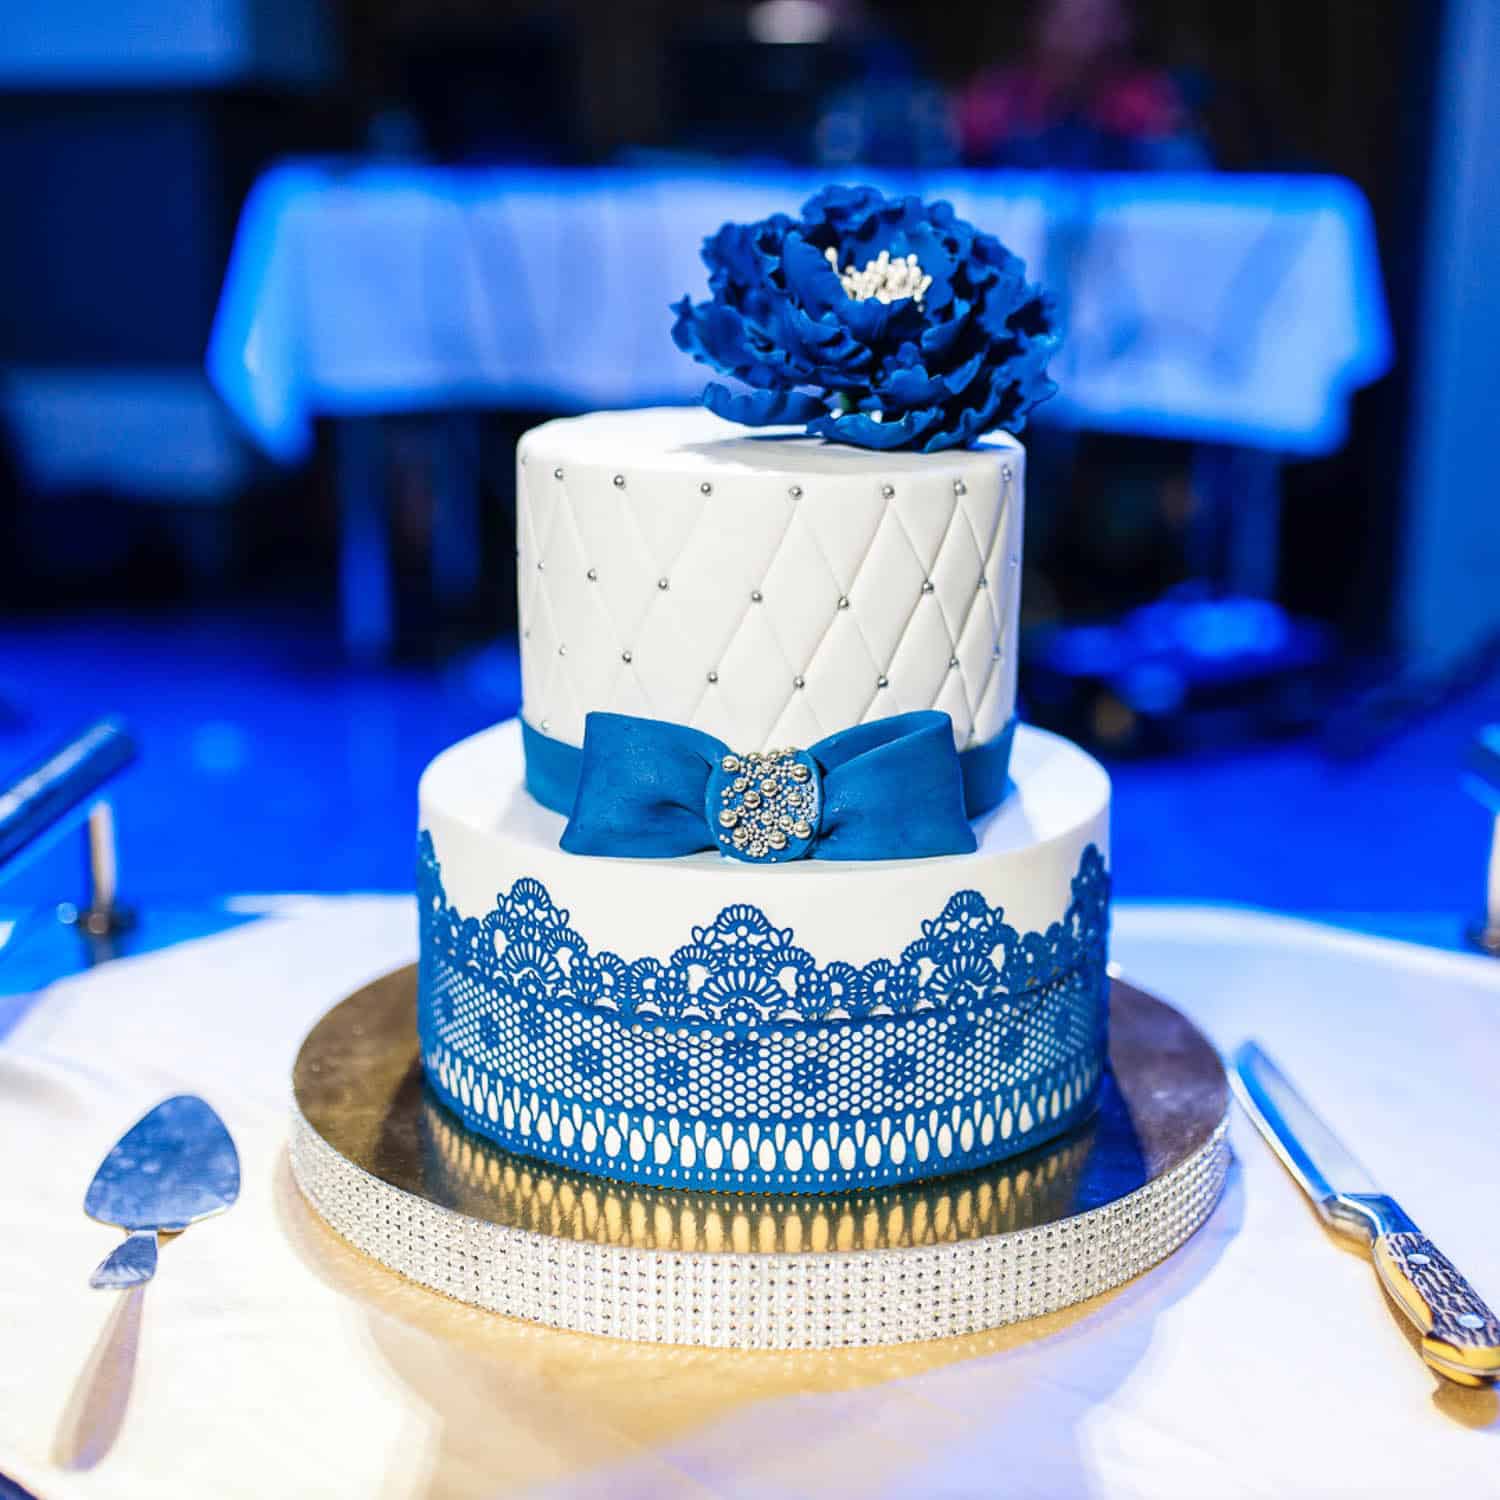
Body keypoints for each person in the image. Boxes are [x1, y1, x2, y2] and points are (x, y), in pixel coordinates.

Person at [956, 0, 1207, 171]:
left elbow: (1185, 185)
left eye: (1097, 19)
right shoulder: (997, 97)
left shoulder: (1150, 100)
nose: (1084, 34)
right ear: (1042, 24)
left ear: (1121, 28)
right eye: (1072, 19)